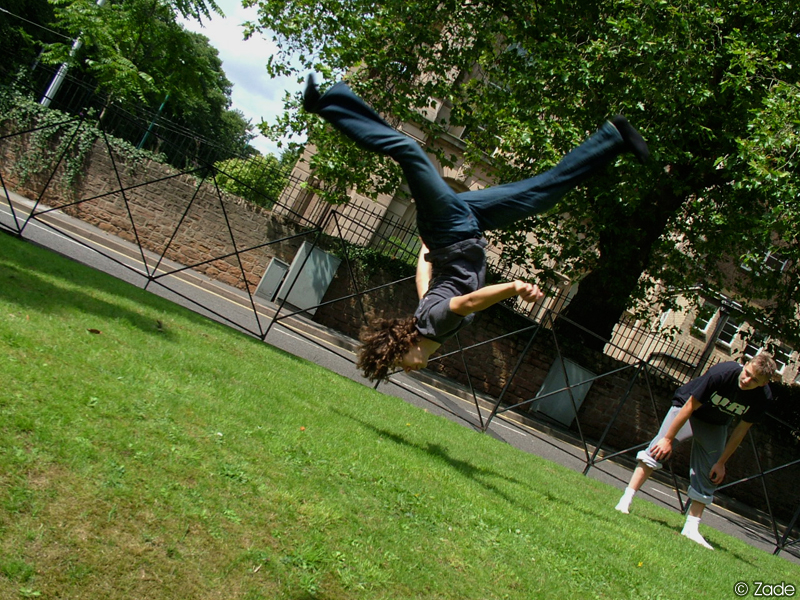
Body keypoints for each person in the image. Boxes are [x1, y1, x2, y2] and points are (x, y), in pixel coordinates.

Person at [303, 75, 650, 382]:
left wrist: (513, 286)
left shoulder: (435, 323)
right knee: (540, 196)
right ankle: (613, 136)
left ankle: (329, 102)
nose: (405, 367)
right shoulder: (427, 319)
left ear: (406, 344)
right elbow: (424, 281)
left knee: (408, 149)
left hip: (452, 227)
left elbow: (468, 301)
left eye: (398, 361)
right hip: (461, 226)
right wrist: (427, 247)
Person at [614, 353, 777, 549]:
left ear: (764, 383)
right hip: (688, 411)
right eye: (747, 373)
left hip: (715, 425)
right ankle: (626, 500)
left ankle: (691, 528)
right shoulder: (723, 373)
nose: (747, 380)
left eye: (754, 380)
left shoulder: (762, 397)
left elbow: (740, 431)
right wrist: (667, 439)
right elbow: (690, 405)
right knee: (656, 452)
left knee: (710, 474)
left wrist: (721, 462)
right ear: (745, 364)